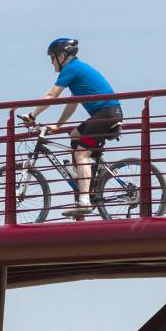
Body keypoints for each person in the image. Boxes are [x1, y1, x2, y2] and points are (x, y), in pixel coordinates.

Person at [23, 38, 124, 217]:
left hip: (106, 113)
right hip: (107, 113)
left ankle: (84, 200)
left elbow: (52, 95)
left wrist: (32, 115)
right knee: (75, 135)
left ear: (62, 56)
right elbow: (72, 103)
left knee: (81, 154)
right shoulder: (76, 70)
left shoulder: (71, 69)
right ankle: (93, 173)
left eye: (53, 58)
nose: (51, 62)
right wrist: (58, 125)